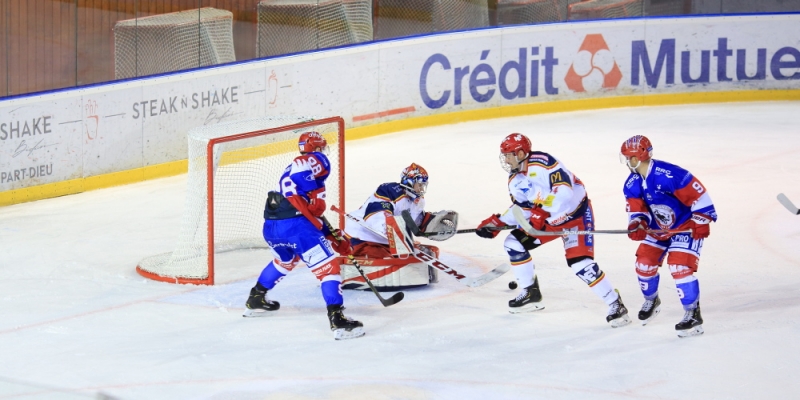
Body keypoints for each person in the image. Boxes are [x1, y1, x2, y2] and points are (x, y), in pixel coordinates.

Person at [475, 133, 631, 327]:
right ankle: (531, 294)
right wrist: (498, 222)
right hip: (549, 220)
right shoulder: (515, 179)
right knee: (514, 243)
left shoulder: (544, 162)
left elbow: (564, 192)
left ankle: (615, 304)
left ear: (521, 153)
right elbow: (524, 208)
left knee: (580, 264)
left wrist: (543, 210)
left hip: (576, 217)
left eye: (508, 154)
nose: (505, 159)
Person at [243, 131, 364, 340]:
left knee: (285, 260)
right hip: (296, 227)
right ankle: (338, 320)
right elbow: (303, 169)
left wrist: (333, 236)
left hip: (272, 226)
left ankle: (256, 298)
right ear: (317, 147)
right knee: (329, 269)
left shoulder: (288, 174)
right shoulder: (314, 160)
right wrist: (315, 197)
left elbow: (309, 213)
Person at [620, 135, 716, 337]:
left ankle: (693, 315)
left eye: (629, 157)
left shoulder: (670, 175)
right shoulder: (632, 183)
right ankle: (652, 299)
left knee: (679, 266)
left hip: (684, 227)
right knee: (644, 264)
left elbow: (699, 196)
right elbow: (638, 211)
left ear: (637, 158)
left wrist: (701, 221)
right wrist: (638, 223)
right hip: (658, 228)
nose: (626, 161)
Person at [342, 163, 458, 290]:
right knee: (390, 255)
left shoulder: (418, 200)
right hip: (362, 236)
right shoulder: (388, 190)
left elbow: (416, 222)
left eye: (423, 185)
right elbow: (375, 218)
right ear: (408, 182)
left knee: (421, 252)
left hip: (385, 239)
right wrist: (398, 236)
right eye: (419, 184)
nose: (421, 188)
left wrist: (432, 225)